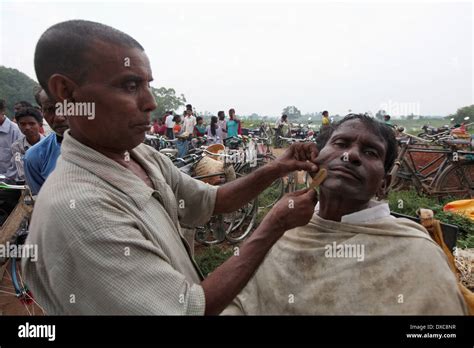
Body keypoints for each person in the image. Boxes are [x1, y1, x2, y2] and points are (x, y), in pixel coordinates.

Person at [22, 20, 320, 316]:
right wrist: (275, 224)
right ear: (67, 92)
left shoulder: (139, 155)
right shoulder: (80, 212)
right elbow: (190, 310)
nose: (151, 102)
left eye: (147, 84)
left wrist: (277, 167)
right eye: (129, 85)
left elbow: (211, 200)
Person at [223, 114, 468, 315]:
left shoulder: (419, 256)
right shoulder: (284, 228)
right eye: (340, 144)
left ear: (385, 183)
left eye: (371, 152)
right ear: (314, 161)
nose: (350, 155)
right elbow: (239, 302)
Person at [24, 88, 69, 195]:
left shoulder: (110, 145)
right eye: (50, 109)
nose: (59, 117)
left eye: (67, 107)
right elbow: (41, 198)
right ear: (42, 112)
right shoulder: (34, 157)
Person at [11, 107, 45, 181]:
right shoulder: (17, 147)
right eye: (22, 124)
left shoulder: (50, 144)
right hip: (27, 185)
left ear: (40, 124)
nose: (27, 127)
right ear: (18, 125)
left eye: (32, 123)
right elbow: (22, 172)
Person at [0, 99, 21, 179]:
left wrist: (6, 178)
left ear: (3, 111)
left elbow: (18, 161)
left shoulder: (16, 131)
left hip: (9, 183)